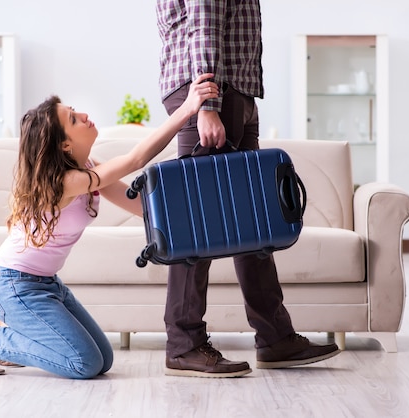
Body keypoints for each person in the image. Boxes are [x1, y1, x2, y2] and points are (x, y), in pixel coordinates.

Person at [0, 73, 220, 378]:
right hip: (12, 284)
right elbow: (135, 158)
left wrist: (199, 215)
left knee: (103, 359)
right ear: (64, 144)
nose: (85, 116)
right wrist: (187, 110)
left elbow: (141, 205)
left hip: (46, 284)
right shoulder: (66, 182)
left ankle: (10, 330)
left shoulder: (87, 168)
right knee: (84, 363)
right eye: (74, 119)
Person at [156, 0, 341, 378]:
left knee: (254, 221)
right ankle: (184, 343)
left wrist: (242, 102)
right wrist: (207, 105)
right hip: (210, 93)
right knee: (197, 224)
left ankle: (275, 337)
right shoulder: (207, 98)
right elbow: (203, 21)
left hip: (234, 92)